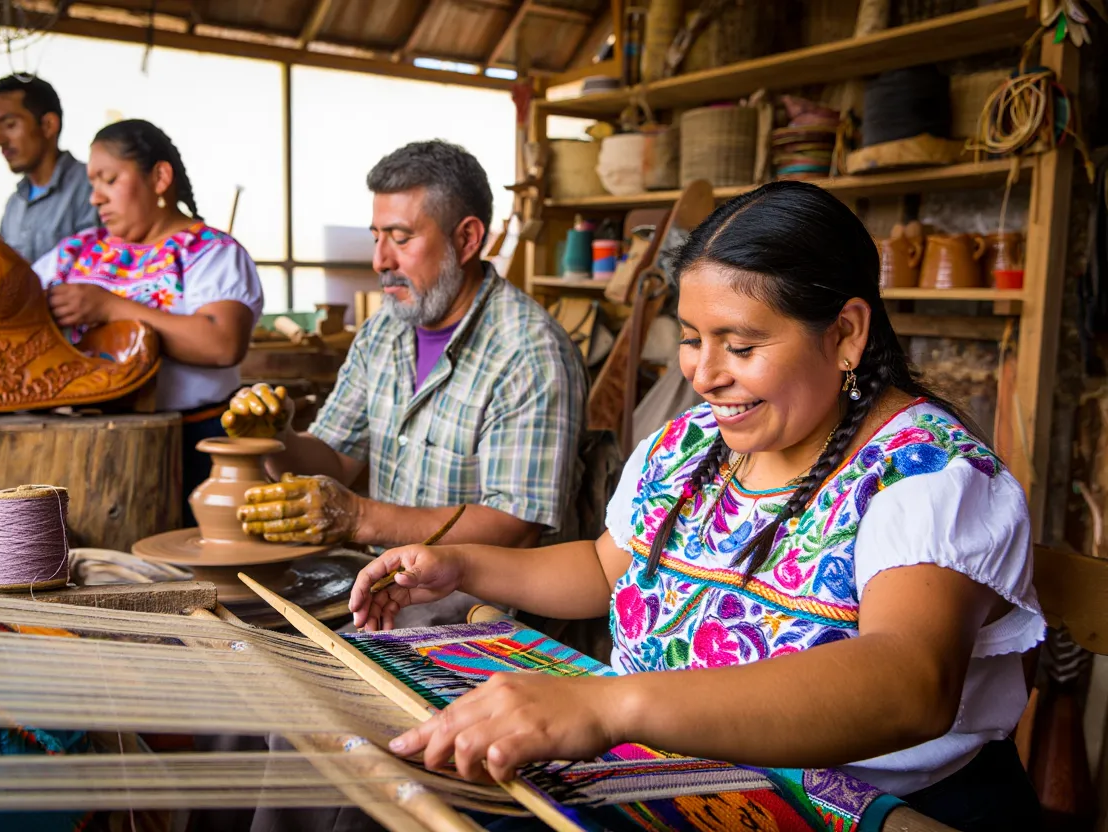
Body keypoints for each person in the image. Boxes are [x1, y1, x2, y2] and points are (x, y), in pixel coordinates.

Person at [349, 181, 1045, 832]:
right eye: (690, 338)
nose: (704, 375)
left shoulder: (924, 473)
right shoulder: (691, 447)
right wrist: (461, 565)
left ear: (846, 334)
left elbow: (909, 683)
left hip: (871, 810)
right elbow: (603, 568)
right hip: (675, 777)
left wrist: (611, 706)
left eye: (740, 345)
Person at [223, 141, 586, 612]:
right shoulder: (384, 331)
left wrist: (358, 517)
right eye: (376, 236)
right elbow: (334, 459)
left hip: (476, 604)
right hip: (380, 585)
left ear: (468, 238)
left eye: (400, 237)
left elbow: (513, 527)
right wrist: (277, 438)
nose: (379, 261)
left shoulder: (530, 352)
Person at [28, 118, 263, 517]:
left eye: (109, 179)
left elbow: (223, 344)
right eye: (92, 183)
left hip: (195, 447)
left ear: (159, 177)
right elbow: (13, 309)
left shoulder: (211, 252)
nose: (95, 198)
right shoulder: (76, 252)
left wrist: (110, 306)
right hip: (83, 446)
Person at [0, 75, 96, 264]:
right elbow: (14, 280)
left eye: (10, 125)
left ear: (48, 125)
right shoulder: (15, 205)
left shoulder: (93, 187)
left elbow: (99, 272)